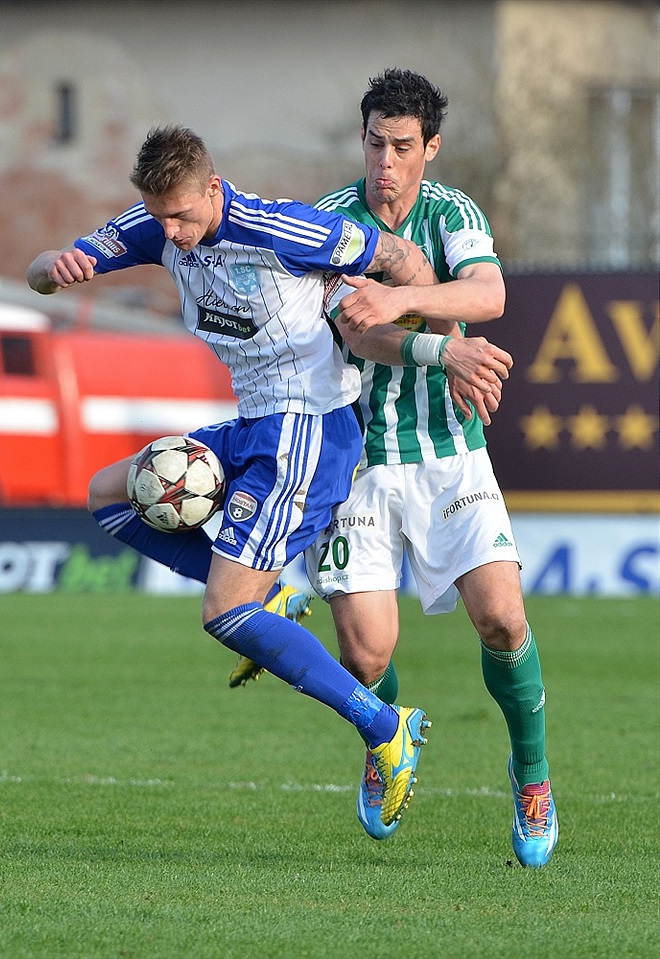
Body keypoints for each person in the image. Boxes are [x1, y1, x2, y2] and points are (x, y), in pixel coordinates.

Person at [26, 123, 512, 831]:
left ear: (214, 189)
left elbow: (399, 255)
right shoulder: (153, 225)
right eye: (161, 216)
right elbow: (41, 271)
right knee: (110, 494)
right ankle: (279, 598)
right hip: (255, 422)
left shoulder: (285, 228)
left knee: (224, 611)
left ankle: (384, 725)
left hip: (311, 430)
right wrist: (59, 265)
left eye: (185, 215)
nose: (174, 232)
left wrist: (436, 333)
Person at [232, 70, 558, 869]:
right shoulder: (331, 223)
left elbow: (489, 293)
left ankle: (534, 775)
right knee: (367, 655)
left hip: (451, 454)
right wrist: (442, 344)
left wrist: (419, 298)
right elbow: (358, 327)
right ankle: (386, 746)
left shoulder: (454, 214)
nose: (385, 160)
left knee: (504, 620)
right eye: (375, 142)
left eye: (402, 146)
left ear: (429, 149)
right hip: (360, 456)